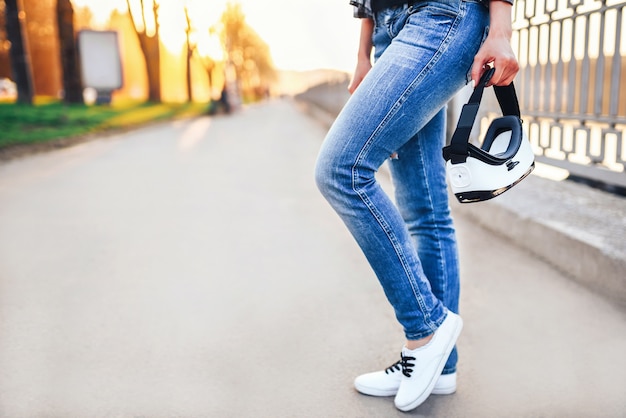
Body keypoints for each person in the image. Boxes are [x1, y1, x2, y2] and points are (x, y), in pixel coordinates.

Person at [314, 0, 519, 412]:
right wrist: (363, 53)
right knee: (424, 209)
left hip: (443, 15)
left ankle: (427, 326)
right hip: (390, 31)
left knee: (341, 170)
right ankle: (439, 367)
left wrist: (501, 27)